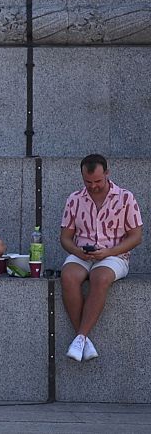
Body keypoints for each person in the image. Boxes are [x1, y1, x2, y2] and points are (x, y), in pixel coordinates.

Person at [60, 154, 143, 362]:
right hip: (83, 253)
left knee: (100, 277)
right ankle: (83, 340)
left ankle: (80, 336)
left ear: (107, 173)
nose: (93, 186)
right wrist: (77, 251)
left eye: (98, 181)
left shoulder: (126, 198)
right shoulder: (74, 199)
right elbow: (65, 238)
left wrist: (108, 252)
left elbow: (136, 237)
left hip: (115, 254)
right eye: (88, 182)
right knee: (68, 276)